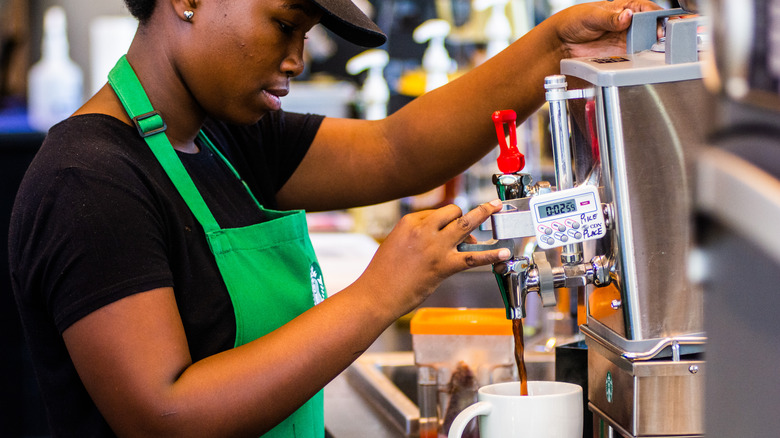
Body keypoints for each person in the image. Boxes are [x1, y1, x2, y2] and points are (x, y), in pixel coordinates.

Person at [8, 0, 661, 436]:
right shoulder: (87, 179)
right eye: (285, 24)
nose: (297, 57)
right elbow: (166, 413)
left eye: (306, 35)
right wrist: (378, 295)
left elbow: (395, 150)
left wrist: (554, 44)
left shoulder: (228, 139)